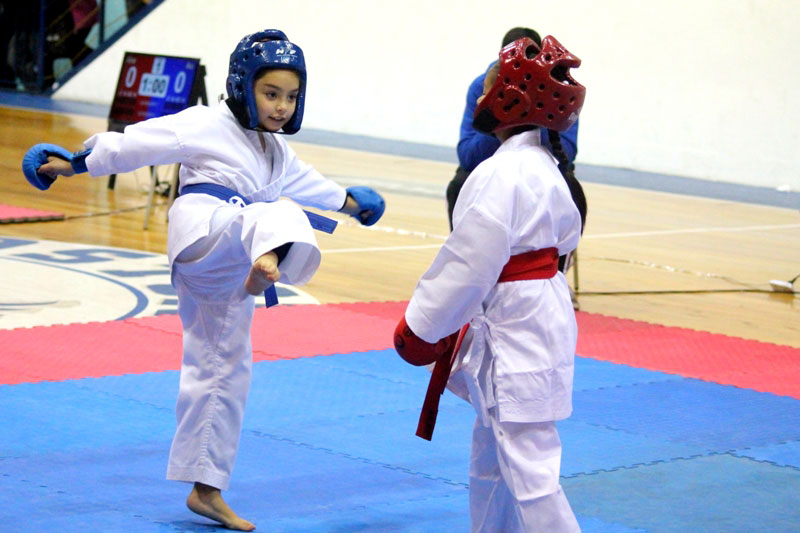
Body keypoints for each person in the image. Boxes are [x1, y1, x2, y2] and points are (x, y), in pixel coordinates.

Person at [25, 29, 385, 531]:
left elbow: (313, 185)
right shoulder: (204, 123)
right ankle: (269, 257)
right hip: (203, 238)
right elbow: (137, 144)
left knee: (223, 371)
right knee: (273, 212)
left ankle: (206, 488)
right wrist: (74, 163)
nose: (282, 106)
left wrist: (352, 203)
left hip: (230, 269)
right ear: (243, 86)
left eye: (291, 96)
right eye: (271, 93)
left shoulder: (277, 154)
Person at [394, 34, 587, 532]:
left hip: (516, 328)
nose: (484, 88)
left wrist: (421, 326)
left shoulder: (500, 175)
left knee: (530, 467)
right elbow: (568, 236)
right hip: (540, 313)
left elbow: (467, 263)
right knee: (492, 458)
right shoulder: (545, 167)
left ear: (512, 98)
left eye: (493, 81)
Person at [446, 26, 579, 229]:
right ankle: (464, 238)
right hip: (494, 164)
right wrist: (499, 118)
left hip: (541, 170)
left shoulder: (558, 90)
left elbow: (566, 153)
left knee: (570, 188)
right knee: (459, 183)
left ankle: (558, 259)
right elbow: (467, 155)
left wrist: (533, 120)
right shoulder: (481, 85)